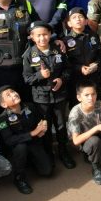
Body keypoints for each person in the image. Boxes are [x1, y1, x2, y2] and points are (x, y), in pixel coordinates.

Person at [22, 21, 73, 169]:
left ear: (50, 34)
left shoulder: (58, 50)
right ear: (32, 37)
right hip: (41, 98)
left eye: (45, 34)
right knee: (46, 126)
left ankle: (64, 152)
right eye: (38, 35)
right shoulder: (28, 55)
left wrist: (62, 79)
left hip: (60, 96)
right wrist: (40, 75)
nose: (42, 38)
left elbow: (68, 69)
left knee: (61, 125)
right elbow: (27, 79)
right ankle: (49, 154)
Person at [0, 85, 52, 194]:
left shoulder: (30, 106)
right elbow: (9, 140)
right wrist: (32, 133)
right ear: (4, 104)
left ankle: (31, 161)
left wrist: (42, 129)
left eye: (13, 91)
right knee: (21, 147)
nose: (14, 94)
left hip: (34, 142)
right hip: (18, 147)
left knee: (47, 171)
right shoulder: (3, 119)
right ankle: (19, 178)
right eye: (8, 95)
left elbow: (42, 121)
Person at [67, 82, 101, 185]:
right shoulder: (75, 113)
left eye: (93, 94)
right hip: (85, 142)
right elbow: (76, 141)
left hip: (100, 135)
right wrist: (96, 128)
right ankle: (96, 167)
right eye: (86, 95)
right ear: (79, 97)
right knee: (95, 141)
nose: (91, 98)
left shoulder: (99, 104)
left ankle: (98, 154)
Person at [61, 7, 101, 99]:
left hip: (94, 77)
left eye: (80, 16)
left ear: (86, 21)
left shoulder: (93, 36)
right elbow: (65, 62)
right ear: (69, 23)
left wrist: (96, 64)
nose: (78, 19)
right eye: (74, 17)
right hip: (76, 79)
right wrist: (79, 68)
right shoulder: (65, 41)